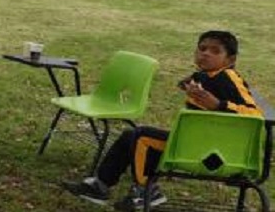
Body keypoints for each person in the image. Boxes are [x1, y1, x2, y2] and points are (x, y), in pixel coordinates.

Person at [63, 31, 261, 211]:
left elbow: (255, 114)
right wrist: (188, 83)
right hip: (190, 140)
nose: (205, 54)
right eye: (202, 48)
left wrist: (219, 105)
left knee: (142, 137)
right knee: (129, 135)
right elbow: (199, 83)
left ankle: (146, 191)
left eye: (215, 51)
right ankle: (100, 185)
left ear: (231, 59)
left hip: (210, 150)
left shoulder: (229, 76)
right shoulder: (204, 75)